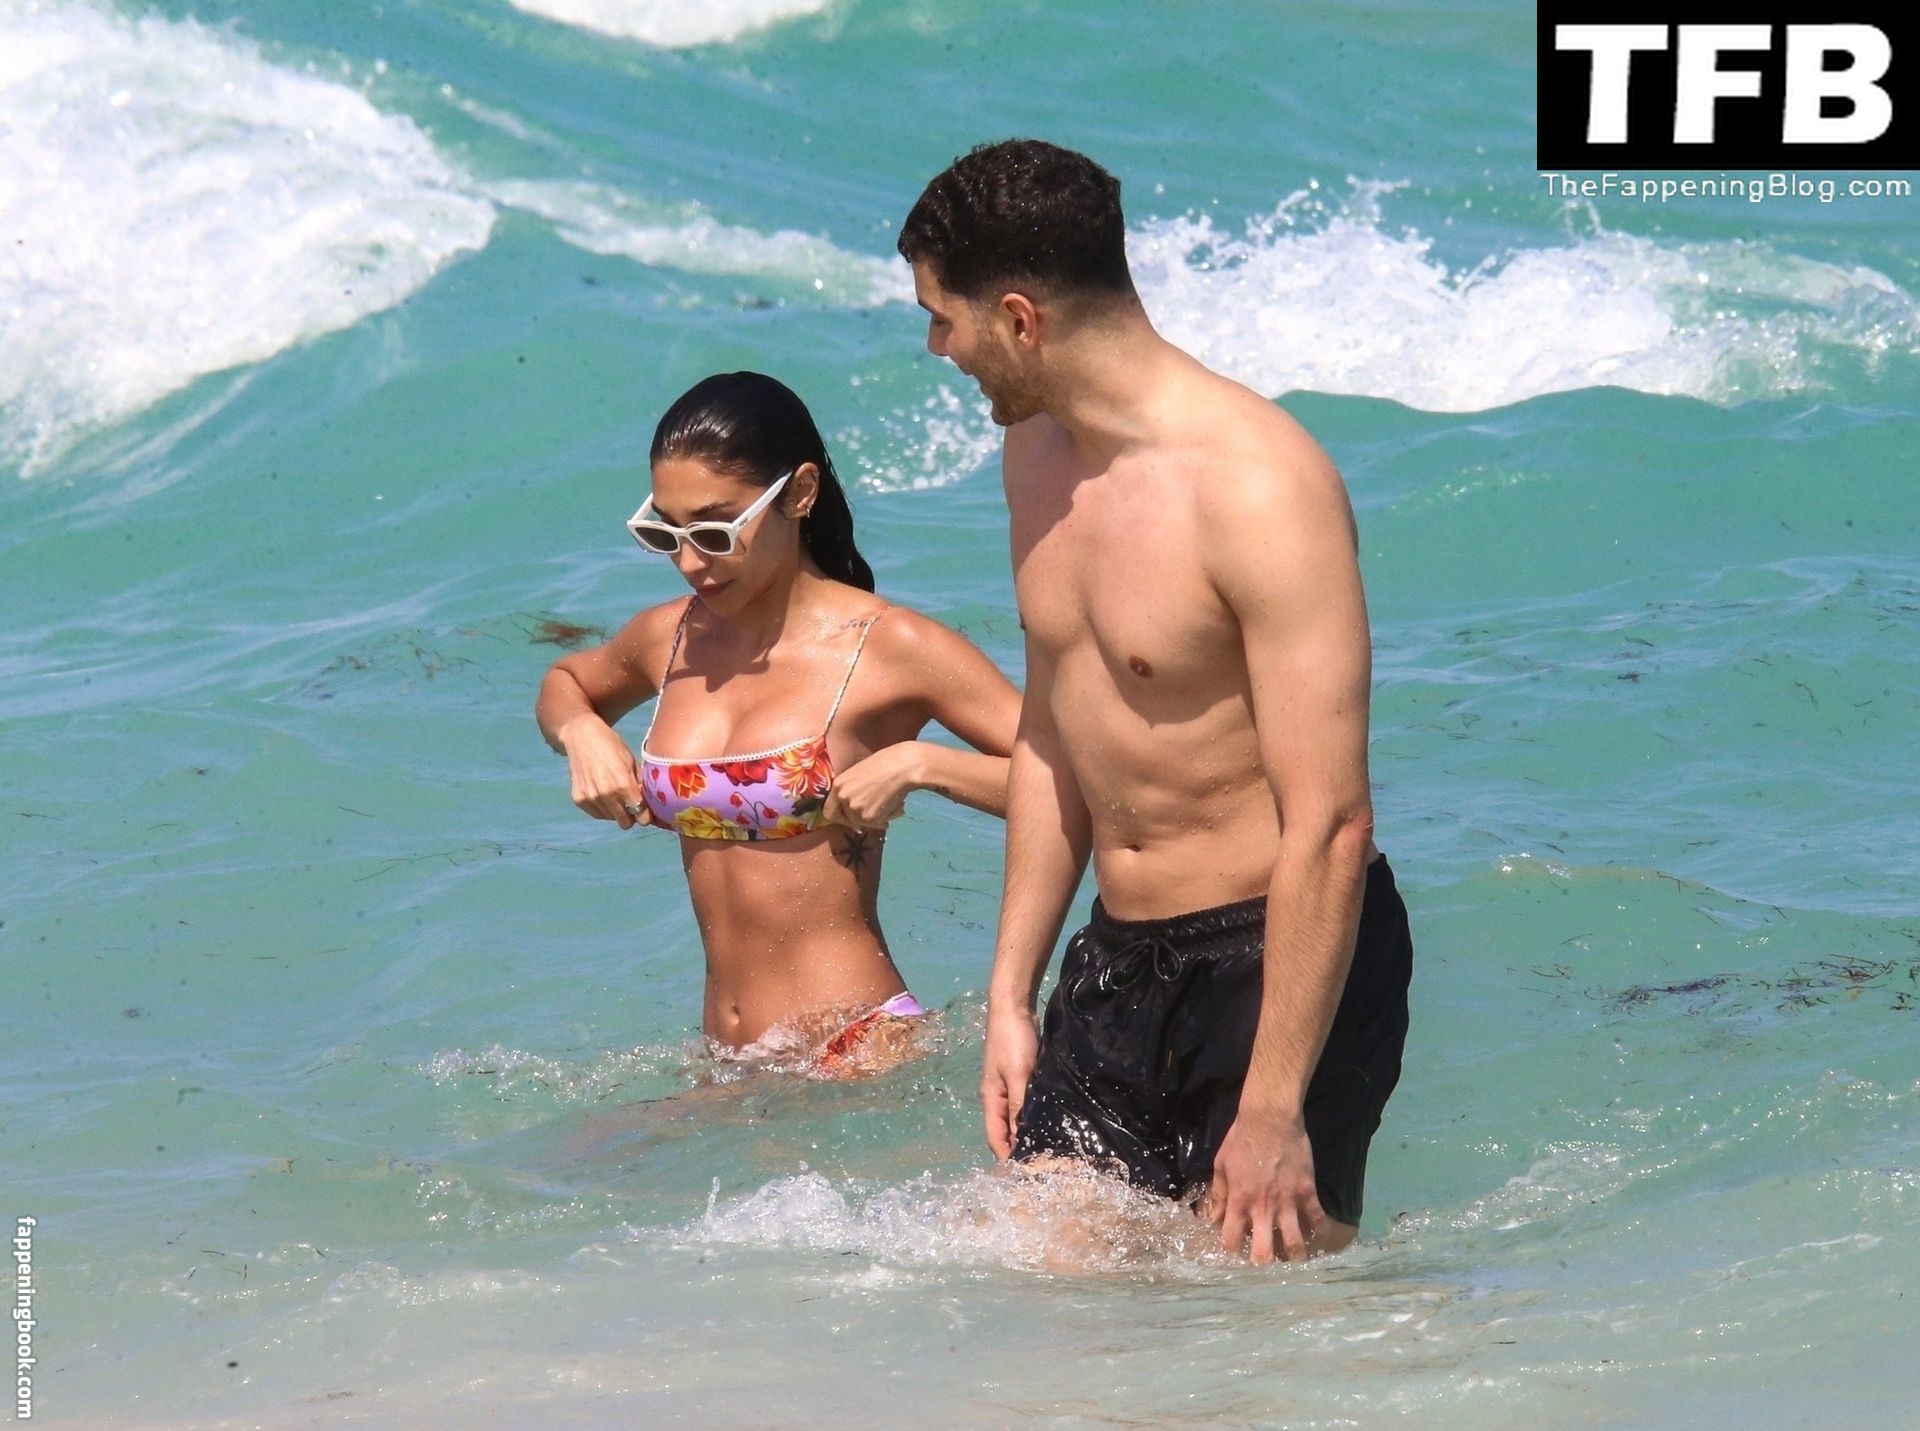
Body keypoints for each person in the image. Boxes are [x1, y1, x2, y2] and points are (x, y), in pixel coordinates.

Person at [896, 140, 1414, 1261]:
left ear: (1020, 319)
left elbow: (1331, 820)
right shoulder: (1036, 458)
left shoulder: (1259, 488)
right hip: (1119, 962)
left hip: (1277, 962)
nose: (938, 349)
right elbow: (1053, 731)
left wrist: (1272, 1107)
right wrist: (1011, 995)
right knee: (1048, 1289)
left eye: (943, 319)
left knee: (1259, 1320)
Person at [535, 371, 1020, 1075]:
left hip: (855, 1045)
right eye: (665, 533)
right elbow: (567, 683)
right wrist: (582, 733)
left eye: (714, 531)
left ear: (799, 493)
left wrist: (924, 766)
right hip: (734, 1059)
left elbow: (1083, 782)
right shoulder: (670, 637)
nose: (689, 562)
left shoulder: (891, 647)